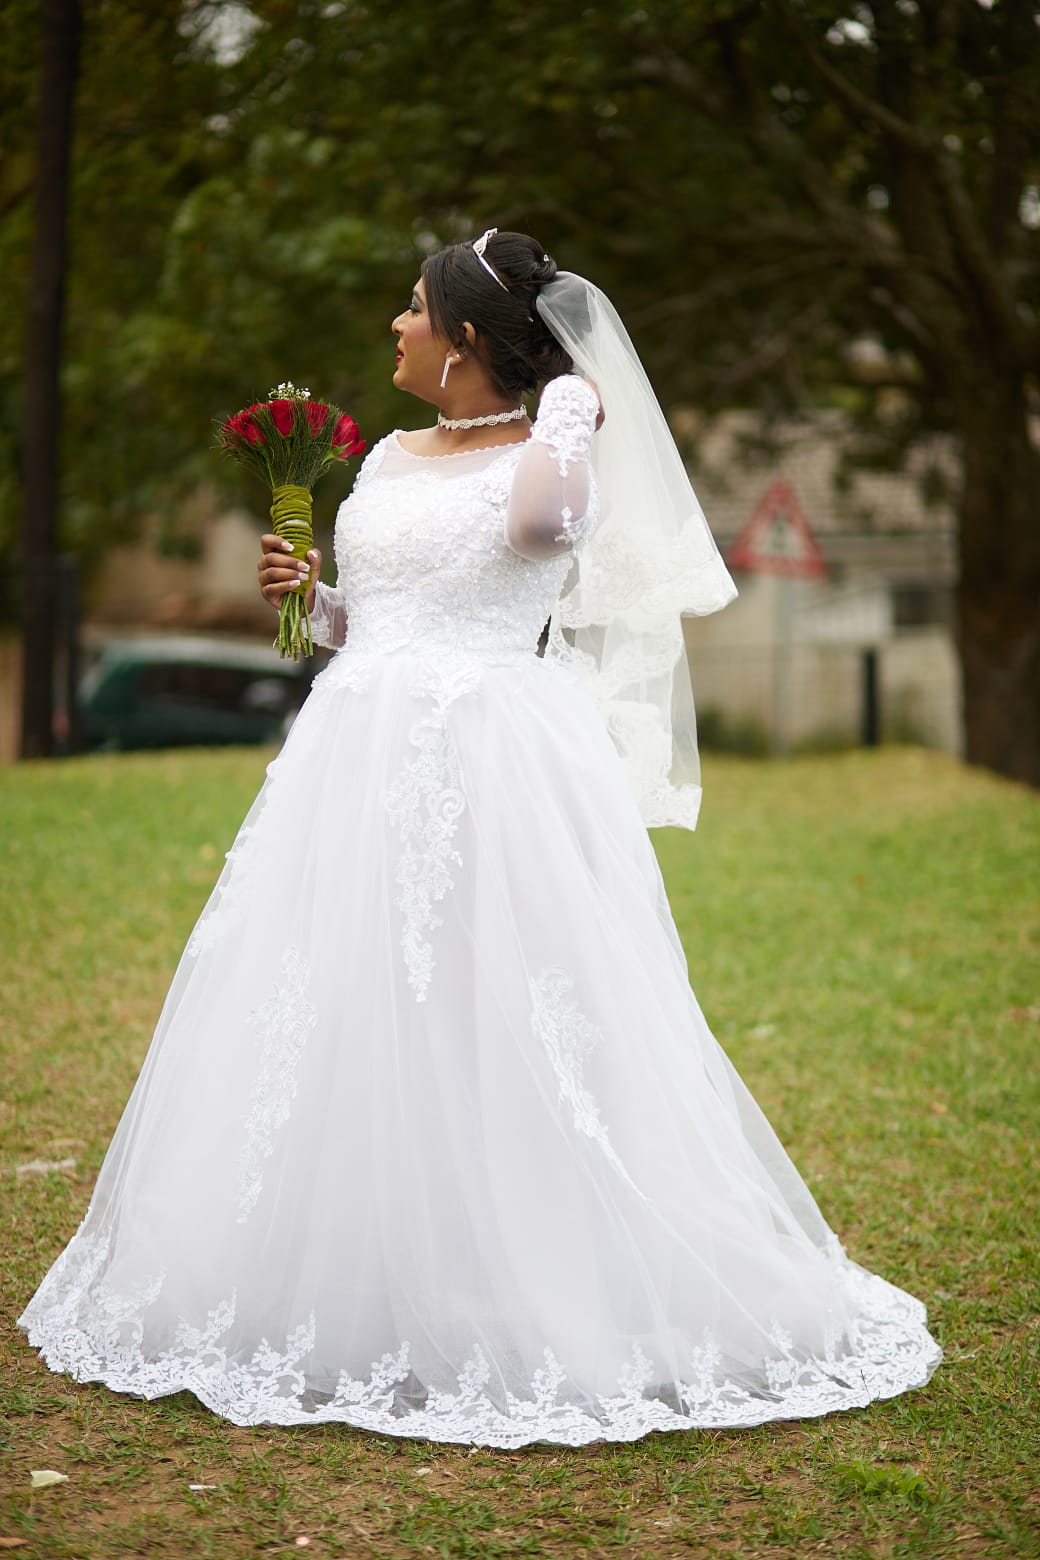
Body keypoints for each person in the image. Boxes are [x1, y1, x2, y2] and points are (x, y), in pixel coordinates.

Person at [20, 230, 940, 1448]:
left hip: (494, 756)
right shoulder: (388, 456)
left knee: (501, 1002)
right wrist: (306, 596)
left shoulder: (557, 447)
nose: (392, 328)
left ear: (463, 341)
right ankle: (351, 1264)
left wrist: (564, 401)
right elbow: (370, 622)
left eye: (413, 311)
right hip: (354, 754)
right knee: (342, 999)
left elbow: (544, 534)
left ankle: (524, 1271)